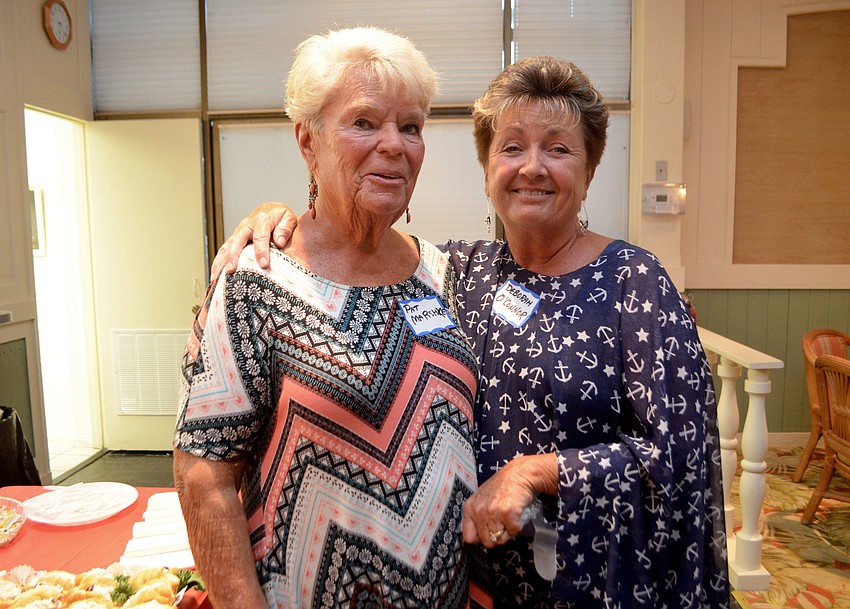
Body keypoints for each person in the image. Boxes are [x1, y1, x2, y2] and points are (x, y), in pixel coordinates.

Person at [218, 56, 730, 608]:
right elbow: (354, 245)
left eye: (558, 149)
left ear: (589, 172)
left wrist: (537, 473)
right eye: (511, 147)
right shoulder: (457, 272)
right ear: (487, 171)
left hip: (596, 586)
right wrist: (278, 217)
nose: (532, 167)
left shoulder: (635, 282)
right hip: (479, 588)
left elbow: (680, 456)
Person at [173, 27, 480, 609]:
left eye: (410, 127)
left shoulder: (441, 272)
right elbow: (203, 474)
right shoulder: (256, 281)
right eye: (364, 122)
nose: (394, 144)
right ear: (307, 141)